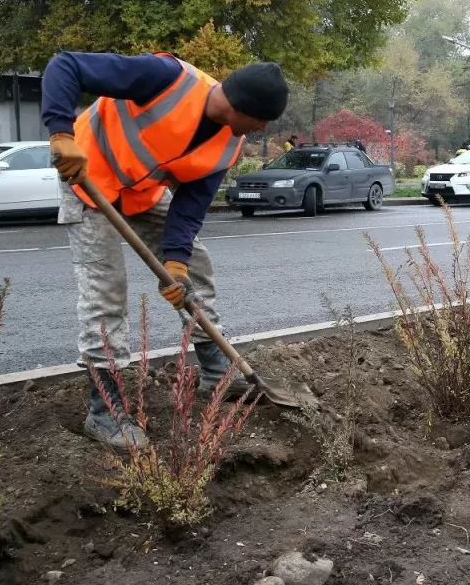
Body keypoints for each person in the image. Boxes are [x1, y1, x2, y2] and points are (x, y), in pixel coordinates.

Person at [42, 51, 288, 453]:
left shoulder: (229, 145)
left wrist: (174, 262)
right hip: (85, 179)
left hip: (139, 192)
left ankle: (215, 370)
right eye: (262, 119)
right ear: (240, 106)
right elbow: (65, 65)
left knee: (195, 265)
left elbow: (190, 206)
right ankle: (104, 411)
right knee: (106, 290)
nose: (262, 128)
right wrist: (60, 134)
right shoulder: (165, 78)